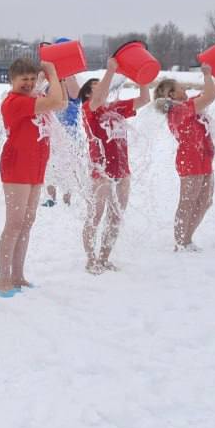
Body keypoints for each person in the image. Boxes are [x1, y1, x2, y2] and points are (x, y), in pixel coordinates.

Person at [0, 58, 67, 297]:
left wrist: (53, 78)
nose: (27, 84)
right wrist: (53, 73)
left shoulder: (34, 100)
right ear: (12, 80)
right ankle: (3, 279)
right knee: (14, 224)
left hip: (35, 167)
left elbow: (62, 101)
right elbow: (56, 101)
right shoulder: (14, 101)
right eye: (22, 79)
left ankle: (18, 275)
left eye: (31, 79)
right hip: (16, 167)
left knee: (27, 223)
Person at [154, 62, 215, 251]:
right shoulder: (178, 111)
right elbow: (208, 96)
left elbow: (213, 93)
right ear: (171, 95)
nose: (184, 90)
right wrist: (207, 74)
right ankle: (181, 242)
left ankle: (187, 239)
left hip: (204, 157)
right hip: (189, 159)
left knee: (205, 201)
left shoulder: (187, 105)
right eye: (180, 88)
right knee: (188, 201)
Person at [80, 60, 152, 273]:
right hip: (100, 170)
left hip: (122, 170)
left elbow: (145, 98)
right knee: (96, 214)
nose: (103, 87)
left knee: (116, 216)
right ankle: (90, 259)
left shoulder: (115, 109)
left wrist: (143, 78)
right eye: (96, 86)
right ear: (88, 94)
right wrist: (111, 70)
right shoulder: (89, 109)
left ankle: (104, 257)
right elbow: (99, 97)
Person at [44, 73, 83, 207]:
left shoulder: (70, 78)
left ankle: (67, 199)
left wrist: (66, 75)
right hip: (50, 131)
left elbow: (76, 94)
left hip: (69, 132)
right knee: (49, 165)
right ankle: (50, 197)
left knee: (68, 166)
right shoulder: (47, 81)